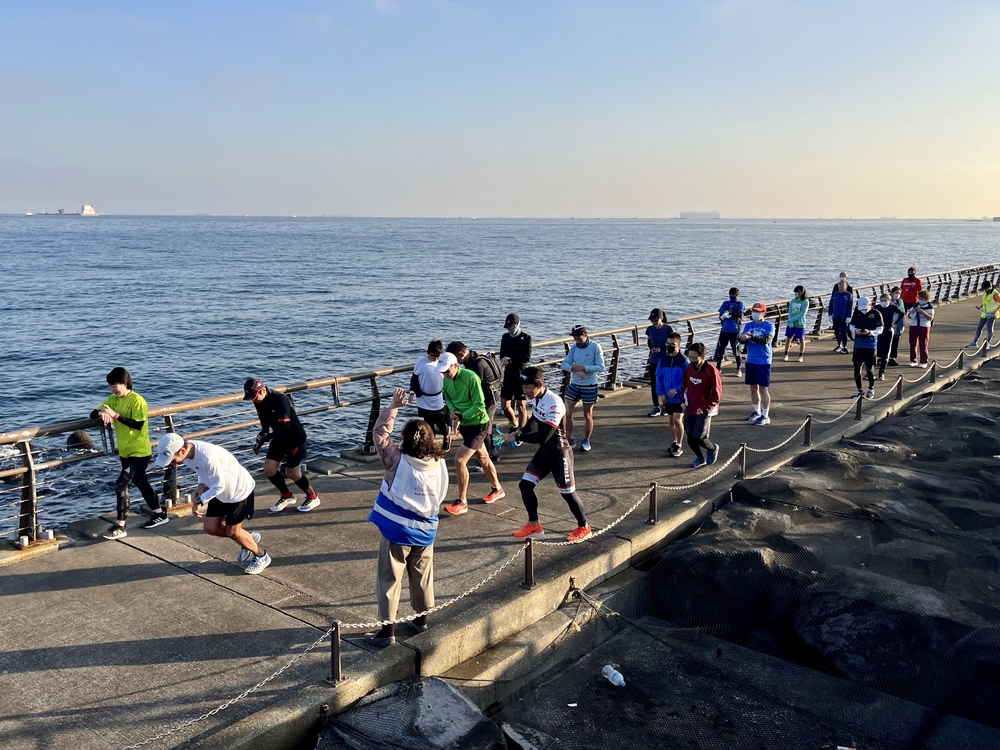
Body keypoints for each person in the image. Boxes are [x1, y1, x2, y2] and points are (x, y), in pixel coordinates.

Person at [364, 388, 448, 647]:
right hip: (426, 529)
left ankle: (386, 631)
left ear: (406, 439)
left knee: (389, 578)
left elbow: (380, 435)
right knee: (422, 576)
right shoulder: (439, 463)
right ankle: (421, 621)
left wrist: (393, 407)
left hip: (397, 530)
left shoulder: (396, 460)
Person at [154, 433, 270, 575]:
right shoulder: (187, 452)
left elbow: (219, 485)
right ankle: (247, 539)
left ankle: (262, 555)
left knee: (233, 532)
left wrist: (199, 500)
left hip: (238, 491)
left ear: (182, 451)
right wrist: (200, 487)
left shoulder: (208, 456)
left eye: (172, 460)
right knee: (211, 528)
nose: (172, 463)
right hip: (219, 492)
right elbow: (201, 470)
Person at [501, 367, 592, 543]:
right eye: (523, 388)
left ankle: (584, 527)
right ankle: (534, 526)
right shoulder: (538, 398)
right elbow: (534, 420)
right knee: (525, 486)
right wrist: (518, 432)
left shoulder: (554, 403)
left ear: (539, 384)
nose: (525, 392)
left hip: (559, 453)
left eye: (528, 388)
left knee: (568, 494)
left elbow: (543, 436)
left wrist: (517, 437)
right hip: (545, 452)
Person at [91, 367, 167, 540]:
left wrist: (115, 415)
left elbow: (138, 424)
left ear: (125, 383)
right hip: (125, 453)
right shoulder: (112, 399)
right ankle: (159, 514)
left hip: (139, 453)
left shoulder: (138, 401)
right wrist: (102, 412)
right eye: (110, 386)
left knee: (121, 485)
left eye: (115, 385)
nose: (113, 389)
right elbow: (92, 414)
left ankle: (120, 526)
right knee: (141, 482)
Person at [438, 352, 505, 515]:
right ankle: (497, 489)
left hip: (479, 424)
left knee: (460, 460)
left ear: (455, 365)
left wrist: (461, 416)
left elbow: (479, 406)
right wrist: (454, 413)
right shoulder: (446, 380)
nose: (445, 374)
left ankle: (462, 501)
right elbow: (448, 399)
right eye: (442, 371)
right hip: (465, 424)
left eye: (447, 370)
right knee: (483, 457)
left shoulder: (471, 377)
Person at [244, 378, 320, 513]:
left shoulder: (280, 399)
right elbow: (264, 424)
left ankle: (313, 496)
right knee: (269, 469)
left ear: (262, 390)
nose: (254, 401)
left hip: (295, 438)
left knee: (292, 472)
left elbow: (285, 428)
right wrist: (261, 436)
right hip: (279, 438)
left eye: (254, 397)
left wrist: (267, 437)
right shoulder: (258, 401)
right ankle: (287, 495)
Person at [447, 341, 502, 462]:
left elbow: (476, 387)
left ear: (461, 355)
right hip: (486, 396)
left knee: (485, 427)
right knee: (483, 429)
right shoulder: (471, 360)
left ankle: (490, 454)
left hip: (489, 399)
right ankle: (485, 454)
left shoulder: (476, 364)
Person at [561, 326, 606, 452]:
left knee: (587, 414)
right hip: (575, 384)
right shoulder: (574, 348)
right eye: (574, 338)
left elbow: (601, 367)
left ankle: (586, 440)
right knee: (567, 411)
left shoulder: (595, 347)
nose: (577, 340)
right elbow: (564, 364)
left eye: (579, 338)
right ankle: (570, 438)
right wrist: (574, 369)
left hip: (589, 384)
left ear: (586, 334)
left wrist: (584, 368)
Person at [680, 342, 722, 469]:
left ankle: (712, 448)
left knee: (699, 437)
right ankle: (699, 458)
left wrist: (705, 408)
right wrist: (683, 401)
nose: (691, 360)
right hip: (690, 407)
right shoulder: (688, 368)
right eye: (690, 357)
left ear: (703, 357)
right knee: (690, 438)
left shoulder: (711, 371)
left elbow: (716, 394)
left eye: (694, 358)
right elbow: (684, 386)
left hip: (704, 409)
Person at [739, 302, 775, 426]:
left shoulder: (769, 326)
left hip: (764, 361)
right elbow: (743, 338)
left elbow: (765, 340)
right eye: (754, 311)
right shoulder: (749, 325)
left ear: (764, 313)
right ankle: (757, 411)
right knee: (753, 387)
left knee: (763, 388)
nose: (755, 313)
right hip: (751, 360)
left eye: (758, 311)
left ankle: (765, 415)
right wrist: (742, 338)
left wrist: (751, 336)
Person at [412, 340, 451, 451]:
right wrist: (414, 393)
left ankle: (446, 437)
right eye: (433, 355)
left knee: (441, 422)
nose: (435, 358)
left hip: (438, 397)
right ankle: (431, 444)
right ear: (428, 353)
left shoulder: (442, 362)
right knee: (428, 424)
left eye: (438, 356)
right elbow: (414, 379)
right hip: (424, 398)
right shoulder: (421, 363)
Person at [655, 331, 688, 457]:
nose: (669, 346)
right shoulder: (663, 360)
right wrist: (661, 393)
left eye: (672, 344)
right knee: (671, 420)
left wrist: (677, 389)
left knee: (677, 420)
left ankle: (679, 445)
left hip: (680, 396)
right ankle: (674, 441)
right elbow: (659, 377)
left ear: (678, 345)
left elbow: (687, 379)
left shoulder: (684, 361)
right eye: (668, 344)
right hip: (667, 396)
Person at [499, 314, 533, 433]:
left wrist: (511, 361)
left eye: (511, 326)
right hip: (508, 373)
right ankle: (515, 424)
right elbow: (502, 353)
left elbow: (526, 357)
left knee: (521, 405)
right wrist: (503, 359)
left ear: (517, 324)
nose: (509, 329)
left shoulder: (526, 338)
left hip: (520, 373)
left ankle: (521, 432)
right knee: (505, 406)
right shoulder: (505, 337)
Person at [849, 296, 883, 399]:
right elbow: (851, 325)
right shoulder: (857, 313)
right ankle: (859, 390)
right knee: (857, 368)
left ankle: (871, 388)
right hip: (858, 345)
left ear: (870, 305)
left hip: (870, 345)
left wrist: (870, 332)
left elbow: (880, 329)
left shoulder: (876, 314)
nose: (863, 310)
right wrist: (855, 331)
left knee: (869, 369)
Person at [645, 308, 674, 416]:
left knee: (666, 382)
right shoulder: (650, 329)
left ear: (661, 318)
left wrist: (661, 349)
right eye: (652, 321)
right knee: (654, 384)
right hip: (653, 359)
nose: (654, 323)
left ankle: (666, 405)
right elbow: (649, 341)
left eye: (656, 320)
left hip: (665, 359)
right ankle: (656, 406)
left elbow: (672, 343)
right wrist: (652, 348)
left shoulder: (668, 329)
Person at [714, 287, 745, 376]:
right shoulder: (725, 303)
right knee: (721, 350)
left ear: (737, 295)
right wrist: (724, 315)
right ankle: (718, 368)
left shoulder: (740, 304)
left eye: (734, 295)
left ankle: (738, 369)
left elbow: (740, 315)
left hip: (735, 331)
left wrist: (730, 313)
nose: (733, 297)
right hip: (724, 330)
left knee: (736, 351)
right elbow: (720, 316)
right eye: (731, 295)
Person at [875, 292, 904, 380]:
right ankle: (870, 372)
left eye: (885, 300)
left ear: (890, 301)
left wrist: (896, 322)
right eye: (881, 300)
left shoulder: (893, 307)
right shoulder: (877, 308)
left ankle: (881, 373)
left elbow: (902, 313)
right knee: (874, 352)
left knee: (886, 352)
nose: (883, 302)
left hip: (888, 330)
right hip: (878, 330)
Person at [969, 280, 1000, 348]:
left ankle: (988, 343)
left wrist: (995, 310)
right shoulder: (985, 293)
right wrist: (980, 307)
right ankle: (975, 342)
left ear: (989, 287)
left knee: (989, 329)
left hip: (992, 314)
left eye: (985, 289)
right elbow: (985, 302)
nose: (985, 290)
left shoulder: (995, 294)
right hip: (984, 313)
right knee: (979, 328)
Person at [908, 290, 934, 368]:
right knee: (913, 343)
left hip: (924, 326)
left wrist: (922, 312)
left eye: (922, 299)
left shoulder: (930, 307)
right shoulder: (916, 305)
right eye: (919, 298)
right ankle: (913, 360)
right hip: (914, 325)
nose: (920, 300)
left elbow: (930, 318)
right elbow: (909, 315)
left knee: (923, 344)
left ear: (926, 299)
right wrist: (912, 313)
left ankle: (924, 361)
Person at [783, 286, 809, 362]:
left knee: (801, 339)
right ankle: (786, 354)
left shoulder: (805, 301)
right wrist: (790, 320)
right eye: (795, 292)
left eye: (797, 292)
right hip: (791, 323)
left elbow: (802, 313)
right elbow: (790, 311)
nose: (796, 294)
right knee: (788, 338)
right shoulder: (793, 301)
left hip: (800, 323)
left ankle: (801, 356)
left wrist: (792, 319)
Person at [828, 280, 854, 354]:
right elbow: (831, 305)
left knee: (843, 332)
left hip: (844, 317)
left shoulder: (848, 295)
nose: (841, 286)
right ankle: (839, 344)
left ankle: (845, 346)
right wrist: (830, 314)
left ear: (846, 286)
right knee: (836, 332)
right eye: (840, 285)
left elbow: (850, 307)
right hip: (835, 316)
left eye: (843, 285)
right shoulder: (834, 294)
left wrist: (849, 316)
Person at [886, 286, 906, 366]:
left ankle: (892, 357)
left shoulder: (900, 302)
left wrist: (902, 325)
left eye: (899, 293)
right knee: (886, 341)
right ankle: (883, 357)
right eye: (896, 293)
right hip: (889, 323)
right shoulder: (888, 301)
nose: (897, 295)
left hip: (897, 325)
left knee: (895, 341)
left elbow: (903, 312)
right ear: (891, 293)